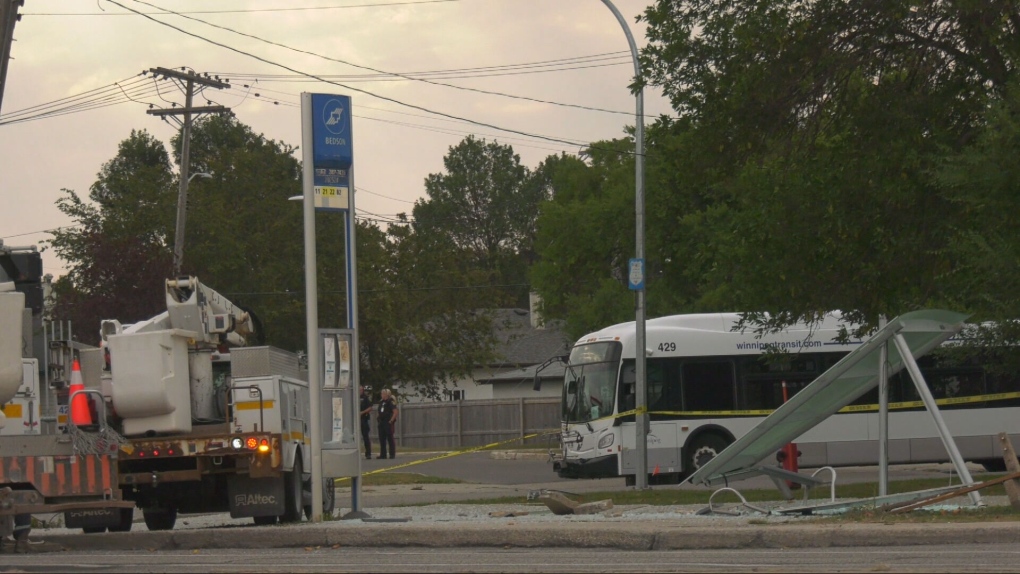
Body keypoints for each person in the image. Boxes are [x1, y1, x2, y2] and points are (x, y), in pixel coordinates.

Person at [377, 388, 398, 459]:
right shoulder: (381, 402)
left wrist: (391, 420)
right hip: (381, 422)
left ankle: (392, 454)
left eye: (382, 394)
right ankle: (383, 454)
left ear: (386, 394)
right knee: (382, 438)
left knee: (390, 438)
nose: (381, 395)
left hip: (388, 422)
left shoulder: (390, 402)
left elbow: (395, 412)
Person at [358, 385, 373, 460]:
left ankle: (368, 453)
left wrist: (362, 412)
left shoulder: (365, 398)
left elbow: (370, 407)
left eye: (361, 390)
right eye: (358, 390)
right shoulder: (353, 397)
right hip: (355, 420)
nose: (359, 391)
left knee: (365, 437)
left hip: (363, 419)